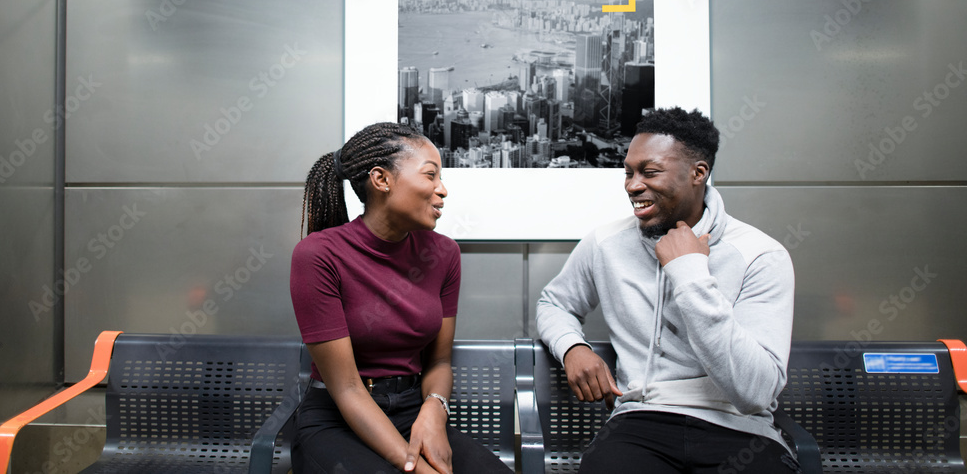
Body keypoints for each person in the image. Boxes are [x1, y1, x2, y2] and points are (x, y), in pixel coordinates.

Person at [536, 107, 801, 473]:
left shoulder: (761, 255)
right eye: (628, 172)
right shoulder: (605, 243)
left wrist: (689, 272)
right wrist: (572, 348)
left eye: (650, 172)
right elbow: (554, 303)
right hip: (639, 420)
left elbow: (755, 392)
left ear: (698, 173)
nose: (632, 186)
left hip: (740, 427)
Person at [289, 122, 512, 474]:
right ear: (382, 179)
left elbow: (439, 362)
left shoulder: (443, 254)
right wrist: (415, 466)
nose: (442, 190)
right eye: (430, 175)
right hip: (339, 418)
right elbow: (347, 388)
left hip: (413, 411)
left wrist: (434, 412)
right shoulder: (318, 255)